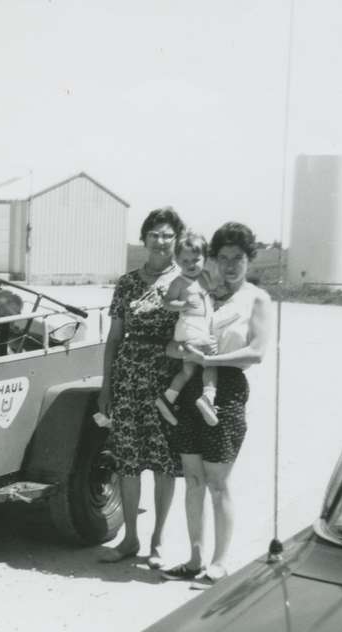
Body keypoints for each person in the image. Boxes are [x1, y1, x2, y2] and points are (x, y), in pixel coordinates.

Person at [161, 222, 274, 588]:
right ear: (212, 259)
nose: (229, 265)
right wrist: (188, 352)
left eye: (237, 258)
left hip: (225, 389)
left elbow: (255, 352)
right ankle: (194, 558)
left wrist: (211, 362)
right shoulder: (201, 291)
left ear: (249, 259)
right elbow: (170, 345)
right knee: (192, 479)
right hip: (190, 381)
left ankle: (220, 562)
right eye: (222, 258)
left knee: (218, 483)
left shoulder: (256, 298)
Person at [97, 207, 187, 568]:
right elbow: (114, 337)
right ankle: (130, 537)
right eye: (155, 234)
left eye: (168, 235)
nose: (161, 241)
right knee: (129, 462)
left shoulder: (185, 282)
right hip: (129, 382)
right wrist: (107, 386)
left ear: (176, 239)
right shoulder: (127, 283)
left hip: (167, 385)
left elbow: (194, 333)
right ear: (144, 238)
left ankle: (157, 541)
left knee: (165, 463)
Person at [155, 232, 219, 428]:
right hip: (189, 328)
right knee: (210, 362)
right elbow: (167, 303)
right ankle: (208, 397)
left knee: (188, 371)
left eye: (196, 259)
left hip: (200, 327)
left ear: (204, 259)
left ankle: (168, 398)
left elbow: (213, 293)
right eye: (185, 261)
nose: (191, 264)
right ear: (178, 261)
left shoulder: (205, 277)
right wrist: (182, 304)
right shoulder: (179, 282)